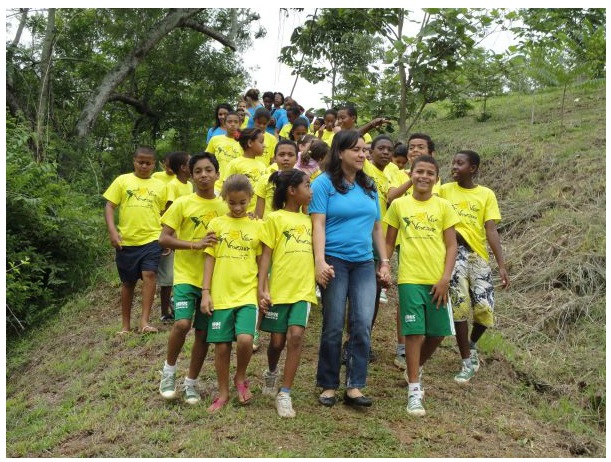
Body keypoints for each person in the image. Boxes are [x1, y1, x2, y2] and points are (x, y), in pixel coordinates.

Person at [309, 129, 391, 408]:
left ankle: (355, 385)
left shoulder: (370, 185)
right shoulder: (323, 184)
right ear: (340, 152)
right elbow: (317, 224)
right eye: (357, 149)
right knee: (332, 324)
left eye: (364, 150)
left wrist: (385, 262)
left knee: (362, 323)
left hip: (364, 263)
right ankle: (329, 384)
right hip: (334, 261)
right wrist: (319, 261)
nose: (362, 154)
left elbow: (377, 227)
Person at [384, 155, 459, 417]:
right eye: (419, 172)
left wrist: (445, 278)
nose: (424, 177)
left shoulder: (444, 207)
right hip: (410, 278)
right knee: (414, 332)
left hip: (438, 279)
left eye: (430, 173)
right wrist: (384, 265)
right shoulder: (399, 205)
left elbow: (452, 245)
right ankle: (414, 389)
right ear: (411, 175)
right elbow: (389, 242)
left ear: (437, 178)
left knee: (437, 333)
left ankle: (413, 368)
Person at [158, 152, 228, 403]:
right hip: (186, 275)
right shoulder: (182, 204)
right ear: (191, 175)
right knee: (182, 324)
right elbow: (164, 238)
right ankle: (168, 372)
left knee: (202, 333)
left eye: (209, 170)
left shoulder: (225, 205)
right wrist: (194, 245)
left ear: (218, 174)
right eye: (198, 171)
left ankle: (191, 383)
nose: (203, 175)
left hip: (214, 280)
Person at [439, 150, 509, 383]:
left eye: (460, 163)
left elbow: (491, 230)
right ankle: (466, 361)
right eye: (453, 163)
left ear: (473, 168)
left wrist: (501, 264)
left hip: (478, 257)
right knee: (459, 307)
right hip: (452, 254)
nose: (454, 167)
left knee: (485, 309)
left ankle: (471, 344)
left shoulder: (486, 194)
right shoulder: (444, 190)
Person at [257, 169, 316, 418]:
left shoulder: (312, 220)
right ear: (292, 191)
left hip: (303, 290)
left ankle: (285, 393)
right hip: (279, 289)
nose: (311, 191)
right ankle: (271, 372)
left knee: (295, 337)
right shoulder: (274, 219)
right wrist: (262, 287)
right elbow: (266, 255)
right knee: (277, 342)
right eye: (307, 185)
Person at [201, 174, 262, 412]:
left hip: (247, 292)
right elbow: (209, 260)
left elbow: (262, 262)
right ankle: (223, 392)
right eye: (232, 203)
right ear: (224, 199)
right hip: (221, 294)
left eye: (243, 202)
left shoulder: (258, 225)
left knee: (246, 339)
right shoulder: (216, 224)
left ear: (250, 199)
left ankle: (241, 376)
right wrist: (206, 292)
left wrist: (263, 290)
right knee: (222, 346)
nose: (237, 207)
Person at [387, 133, 439, 371]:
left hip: (429, 244)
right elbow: (391, 196)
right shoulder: (396, 171)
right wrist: (411, 178)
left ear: (431, 152)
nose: (415, 150)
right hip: (402, 238)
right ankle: (402, 345)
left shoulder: (436, 179)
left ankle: (420, 343)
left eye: (421, 147)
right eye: (411, 147)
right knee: (407, 291)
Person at [103, 146, 167, 334]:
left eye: (148, 163)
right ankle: (125, 326)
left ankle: (145, 322)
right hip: (127, 241)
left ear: (154, 164)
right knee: (128, 282)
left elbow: (163, 212)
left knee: (149, 275)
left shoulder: (160, 186)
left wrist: (166, 236)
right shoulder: (122, 181)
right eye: (141, 162)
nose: (144, 166)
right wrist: (112, 232)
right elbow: (109, 206)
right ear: (134, 161)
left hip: (152, 239)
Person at [158, 151, 193, 322]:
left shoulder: (189, 185)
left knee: (176, 274)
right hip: (174, 237)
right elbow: (168, 210)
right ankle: (165, 311)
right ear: (183, 167)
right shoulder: (173, 185)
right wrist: (168, 239)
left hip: (186, 236)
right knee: (168, 277)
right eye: (190, 161)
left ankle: (175, 303)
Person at [221, 128, 267, 214]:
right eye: (261, 142)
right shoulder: (235, 164)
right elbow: (226, 188)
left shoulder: (263, 166)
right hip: (239, 213)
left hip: (256, 215)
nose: (264, 145)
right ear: (250, 143)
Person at [254, 140, 299, 219]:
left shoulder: (301, 180)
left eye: (290, 155)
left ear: (297, 158)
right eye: (281, 155)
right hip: (269, 226)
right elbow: (258, 214)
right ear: (274, 158)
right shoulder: (265, 179)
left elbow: (305, 211)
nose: (286, 158)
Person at [205, 111, 243, 193]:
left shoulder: (244, 143)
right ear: (225, 124)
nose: (232, 124)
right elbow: (207, 160)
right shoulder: (215, 139)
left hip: (236, 186)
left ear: (240, 124)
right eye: (229, 122)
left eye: (235, 122)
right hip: (216, 185)